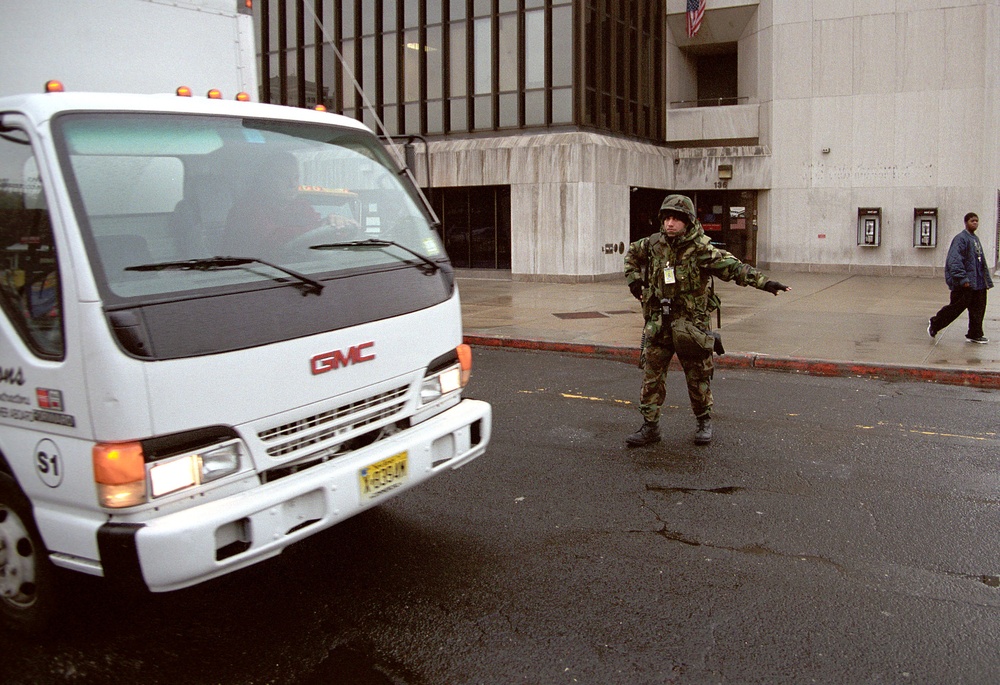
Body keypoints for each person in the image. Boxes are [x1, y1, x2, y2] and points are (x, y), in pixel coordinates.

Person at [623, 194, 790, 447]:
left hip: (691, 326)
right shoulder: (653, 245)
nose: (670, 224)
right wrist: (635, 281)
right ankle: (650, 427)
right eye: (667, 218)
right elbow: (631, 255)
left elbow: (734, 268)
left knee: (698, 375)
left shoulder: (701, 250)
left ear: (688, 222)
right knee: (652, 376)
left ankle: (703, 421)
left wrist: (766, 283)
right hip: (659, 322)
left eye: (676, 219)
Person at [928, 212, 993, 344]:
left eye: (976, 221)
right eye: (972, 221)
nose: (975, 223)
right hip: (965, 284)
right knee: (955, 308)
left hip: (978, 284)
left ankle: (975, 334)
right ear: (966, 223)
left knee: (978, 310)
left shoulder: (975, 239)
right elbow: (954, 261)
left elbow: (980, 262)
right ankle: (935, 324)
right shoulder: (961, 239)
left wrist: (985, 281)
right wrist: (963, 280)